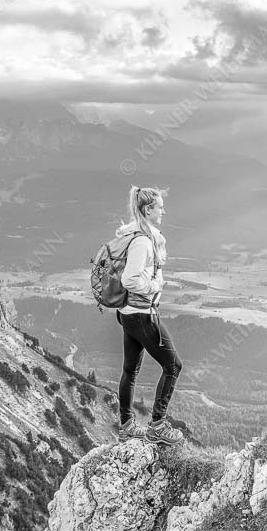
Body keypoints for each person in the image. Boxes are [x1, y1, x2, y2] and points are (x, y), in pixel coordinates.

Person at [104, 185, 184, 445]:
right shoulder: (141, 241)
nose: (163, 211)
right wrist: (154, 286)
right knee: (173, 366)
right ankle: (158, 425)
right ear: (148, 209)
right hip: (142, 314)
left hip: (128, 313)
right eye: (159, 207)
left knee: (130, 369)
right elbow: (129, 279)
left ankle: (127, 424)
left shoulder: (135, 234)